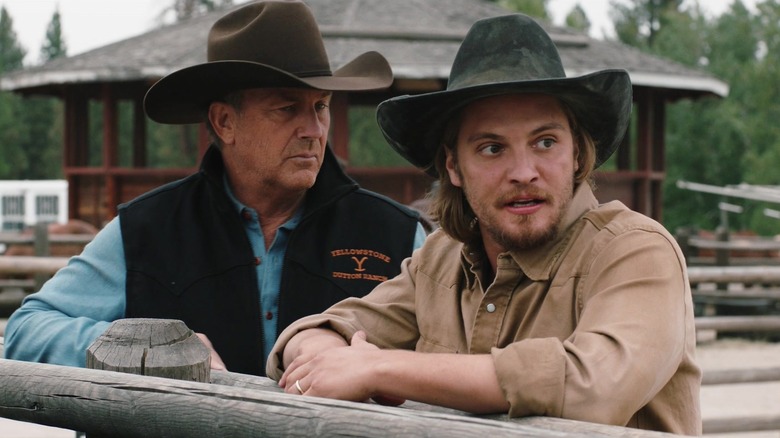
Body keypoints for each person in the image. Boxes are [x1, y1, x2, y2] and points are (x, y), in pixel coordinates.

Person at [266, 13, 701, 435]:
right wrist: (320, 354)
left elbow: (593, 387)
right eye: (492, 148)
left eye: (545, 142)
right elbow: (325, 328)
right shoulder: (441, 260)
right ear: (454, 166)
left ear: (577, 155)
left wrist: (379, 367)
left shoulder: (636, 252)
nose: (524, 171)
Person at [3, 0, 425, 376]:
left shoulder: (398, 234)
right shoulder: (147, 229)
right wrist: (144, 349)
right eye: (286, 109)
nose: (314, 130)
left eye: (321, 107)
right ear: (225, 122)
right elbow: (27, 330)